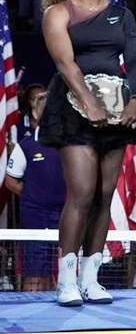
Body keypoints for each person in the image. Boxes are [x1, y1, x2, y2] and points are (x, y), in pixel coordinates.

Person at [38, 0, 136, 306]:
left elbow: (134, 58)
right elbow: (65, 64)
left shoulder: (121, 14)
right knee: (82, 192)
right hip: (73, 107)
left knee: (105, 194)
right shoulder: (58, 13)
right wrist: (88, 102)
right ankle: (66, 281)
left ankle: (91, 278)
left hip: (117, 110)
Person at [5, 90, 65, 291]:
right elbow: (10, 181)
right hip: (35, 220)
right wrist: (34, 196)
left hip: (65, 218)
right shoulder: (26, 146)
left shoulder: (70, 145)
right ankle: (31, 317)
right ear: (36, 113)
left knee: (62, 278)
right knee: (35, 275)